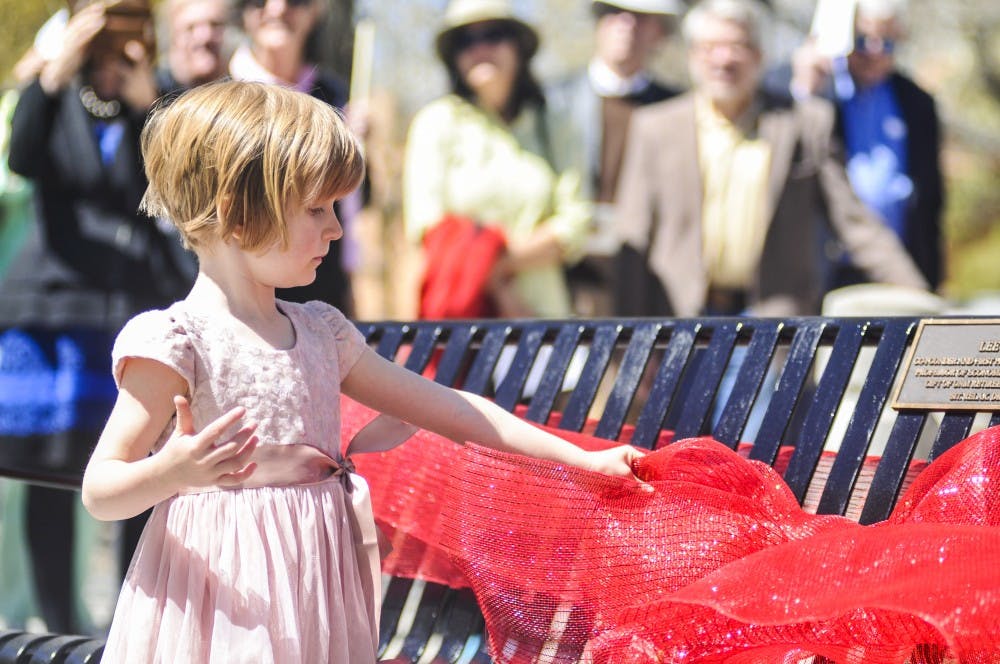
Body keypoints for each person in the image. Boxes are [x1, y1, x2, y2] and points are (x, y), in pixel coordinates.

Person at [79, 80, 639, 662]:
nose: (337, 230)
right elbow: (101, 492)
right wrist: (172, 471)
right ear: (238, 214)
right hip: (223, 600)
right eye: (317, 209)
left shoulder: (323, 332)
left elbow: (453, 410)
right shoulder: (177, 342)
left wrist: (584, 460)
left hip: (315, 589)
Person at [2, 0, 194, 633]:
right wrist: (55, 68)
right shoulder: (54, 93)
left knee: (137, 469)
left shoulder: (157, 99)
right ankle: (55, 623)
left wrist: (149, 104)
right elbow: (23, 158)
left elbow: (176, 187)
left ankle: (131, 630)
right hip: (54, 311)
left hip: (127, 311)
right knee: (48, 469)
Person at [613, 0, 928, 319]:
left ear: (759, 55)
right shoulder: (656, 127)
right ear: (692, 55)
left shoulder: (805, 123)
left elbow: (855, 222)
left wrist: (920, 296)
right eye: (710, 47)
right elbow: (634, 232)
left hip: (774, 325)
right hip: (681, 321)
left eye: (737, 45)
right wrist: (628, 341)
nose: (724, 59)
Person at [403, 0, 591, 320]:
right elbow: (427, 225)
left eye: (493, 35)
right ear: (454, 57)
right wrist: (502, 292)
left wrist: (499, 263)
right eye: (466, 41)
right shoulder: (436, 122)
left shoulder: (554, 124)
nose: (480, 49)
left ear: (518, 47)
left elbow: (576, 223)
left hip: (546, 319)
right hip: (462, 324)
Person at [785, 0, 944, 292]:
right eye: (861, 40)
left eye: (886, 43)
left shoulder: (916, 102)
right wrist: (805, 92)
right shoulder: (815, 88)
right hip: (824, 270)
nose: (873, 52)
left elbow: (931, 201)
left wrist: (932, 280)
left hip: (898, 267)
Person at [547, 0, 684, 316]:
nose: (626, 25)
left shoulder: (674, 107)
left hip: (646, 278)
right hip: (569, 275)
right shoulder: (555, 100)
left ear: (659, 31)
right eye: (613, 14)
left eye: (639, 17)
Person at [230, 0, 359, 315]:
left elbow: (352, 211)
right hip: (243, 308)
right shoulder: (216, 94)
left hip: (323, 300)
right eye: (258, 0)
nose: (277, 8)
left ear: (315, 11)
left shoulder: (336, 96)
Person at [155, 0, 232, 97]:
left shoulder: (243, 92)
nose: (205, 36)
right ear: (171, 36)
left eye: (214, 25)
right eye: (190, 28)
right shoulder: (152, 96)